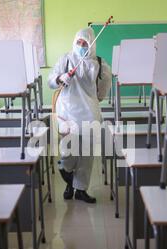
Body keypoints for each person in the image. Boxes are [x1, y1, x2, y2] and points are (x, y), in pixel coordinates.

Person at [48, 27, 112, 204]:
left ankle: (80, 189)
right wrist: (61, 78)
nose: (82, 46)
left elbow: (105, 86)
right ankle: (67, 172)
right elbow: (50, 80)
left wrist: (95, 98)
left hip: (90, 113)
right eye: (79, 42)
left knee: (87, 153)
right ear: (74, 42)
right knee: (68, 150)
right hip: (67, 114)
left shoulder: (100, 64)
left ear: (92, 44)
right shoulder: (66, 59)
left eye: (86, 43)